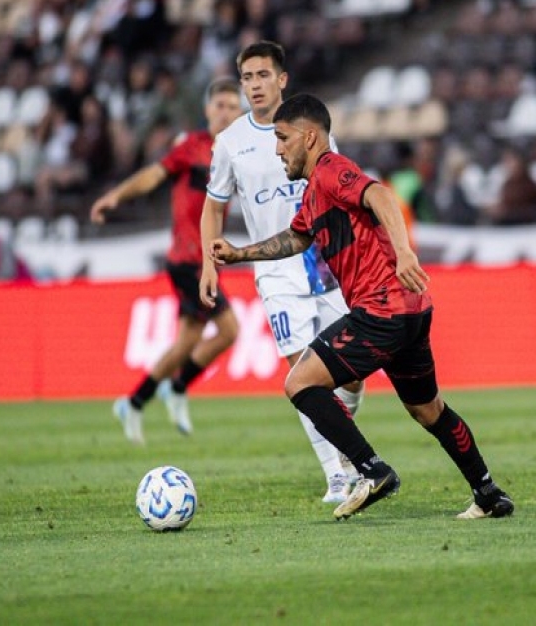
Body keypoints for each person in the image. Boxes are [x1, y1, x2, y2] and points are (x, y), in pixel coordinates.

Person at [206, 93, 515, 520]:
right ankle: (488, 493)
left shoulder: (333, 170)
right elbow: (296, 239)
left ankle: (372, 470)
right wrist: (240, 254)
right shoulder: (314, 191)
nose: (277, 149)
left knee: (300, 384)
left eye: (282, 138)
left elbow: (381, 196)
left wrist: (405, 252)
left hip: (381, 308)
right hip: (410, 310)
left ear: (309, 137)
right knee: (428, 410)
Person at [199, 41, 365, 504]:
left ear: (282, 79)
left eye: (262, 76)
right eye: (247, 77)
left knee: (351, 374)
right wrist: (208, 264)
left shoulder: (311, 129)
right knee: (302, 373)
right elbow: (213, 209)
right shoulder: (230, 143)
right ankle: (337, 474)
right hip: (275, 270)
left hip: (327, 261)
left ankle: (348, 455)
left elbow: (341, 185)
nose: (254, 85)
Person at [89, 77, 243, 443]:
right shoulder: (192, 147)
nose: (225, 112)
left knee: (187, 342)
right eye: (219, 105)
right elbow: (153, 176)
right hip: (188, 259)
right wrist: (116, 196)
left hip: (206, 260)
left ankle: (135, 401)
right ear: (207, 110)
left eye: (232, 107)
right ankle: (176, 389)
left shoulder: (239, 152)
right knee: (229, 330)